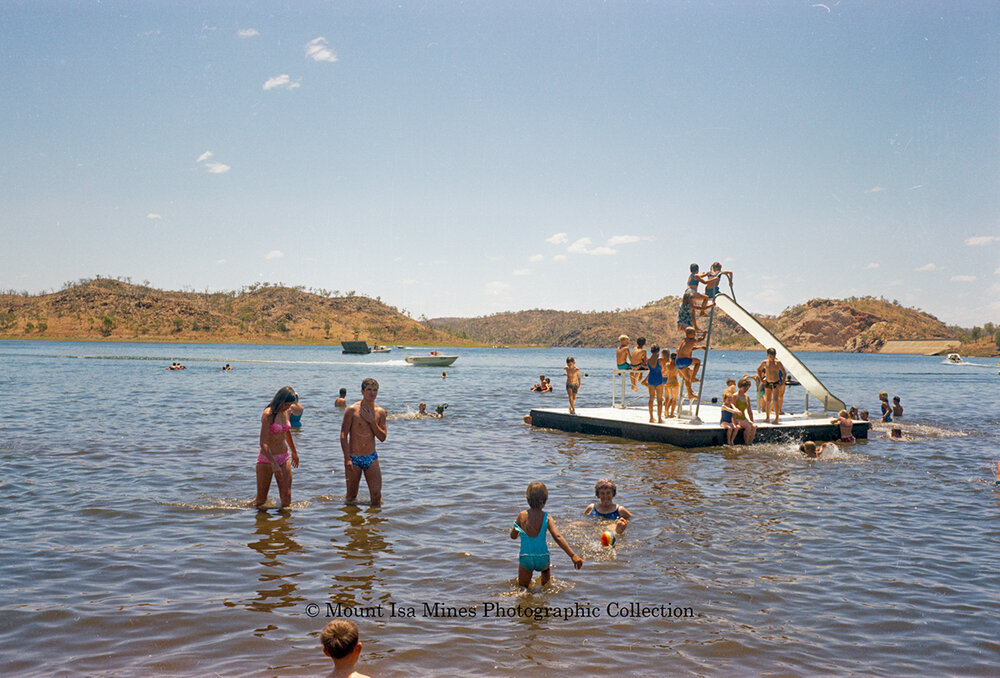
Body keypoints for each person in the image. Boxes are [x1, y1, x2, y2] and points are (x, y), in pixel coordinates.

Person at [510, 482, 582, 588]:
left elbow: (513, 535)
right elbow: (557, 537)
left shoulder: (521, 516)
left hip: (526, 558)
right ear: (545, 500)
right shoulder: (547, 517)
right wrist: (573, 555)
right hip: (542, 558)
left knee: (522, 589)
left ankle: (525, 602)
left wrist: (519, 532)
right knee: (546, 588)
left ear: (527, 499)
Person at [340, 378, 387, 506]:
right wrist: (347, 458)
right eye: (369, 390)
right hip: (354, 458)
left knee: (377, 497)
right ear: (362, 391)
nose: (372, 393)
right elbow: (343, 434)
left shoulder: (381, 412)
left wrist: (372, 422)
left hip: (371, 457)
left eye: (375, 390)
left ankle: (375, 523)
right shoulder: (352, 410)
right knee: (351, 497)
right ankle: (352, 523)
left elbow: (383, 437)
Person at [253, 386, 300, 508]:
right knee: (261, 501)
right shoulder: (268, 414)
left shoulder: (287, 412)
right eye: (286, 405)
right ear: (280, 400)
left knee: (286, 498)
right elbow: (263, 443)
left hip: (284, 457)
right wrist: (273, 464)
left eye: (290, 405)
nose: (288, 408)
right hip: (267, 459)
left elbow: (287, 432)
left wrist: (294, 452)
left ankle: (284, 525)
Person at [757, 348, 787, 424]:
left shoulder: (778, 363)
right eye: (770, 356)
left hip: (776, 383)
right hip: (767, 383)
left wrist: (782, 382)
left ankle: (777, 418)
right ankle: (767, 417)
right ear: (767, 355)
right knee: (768, 400)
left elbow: (784, 372)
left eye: (773, 356)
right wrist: (761, 379)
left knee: (776, 400)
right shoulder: (765, 362)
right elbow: (759, 370)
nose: (772, 357)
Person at [676, 327, 704, 399]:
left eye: (695, 334)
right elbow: (701, 339)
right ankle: (694, 377)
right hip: (684, 360)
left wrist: (700, 348)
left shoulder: (684, 341)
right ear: (688, 334)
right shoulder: (692, 340)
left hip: (678, 362)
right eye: (693, 334)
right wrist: (705, 334)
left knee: (687, 378)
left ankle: (690, 394)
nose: (695, 335)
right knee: (698, 361)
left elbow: (690, 349)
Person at [731, 378, 757, 444]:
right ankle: (746, 444)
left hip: (743, 418)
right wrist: (734, 423)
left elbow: (749, 411)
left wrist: (752, 421)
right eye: (744, 388)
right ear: (740, 387)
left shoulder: (747, 397)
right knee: (748, 426)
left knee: (754, 426)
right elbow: (733, 410)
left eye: (747, 388)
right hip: (737, 418)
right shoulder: (735, 396)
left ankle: (750, 443)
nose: (746, 390)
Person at [644, 346, 666, 423]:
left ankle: (651, 418)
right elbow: (663, 369)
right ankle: (659, 419)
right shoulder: (660, 360)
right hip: (658, 379)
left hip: (651, 379)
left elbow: (650, 369)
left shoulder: (648, 360)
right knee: (659, 400)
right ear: (658, 351)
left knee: (651, 399)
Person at [720, 379, 739, 445]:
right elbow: (731, 410)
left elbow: (735, 409)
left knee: (736, 428)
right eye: (728, 400)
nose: (730, 401)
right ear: (725, 399)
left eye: (731, 400)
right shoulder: (724, 406)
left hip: (730, 421)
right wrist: (736, 412)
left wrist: (738, 411)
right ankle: (728, 441)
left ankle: (732, 440)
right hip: (724, 422)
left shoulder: (731, 405)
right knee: (730, 428)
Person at [663, 352, 680, 418]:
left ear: (670, 357)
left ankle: (666, 410)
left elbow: (664, 372)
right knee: (674, 399)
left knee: (670, 398)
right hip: (674, 383)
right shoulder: (677, 365)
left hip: (668, 383)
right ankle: (672, 413)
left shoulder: (667, 364)